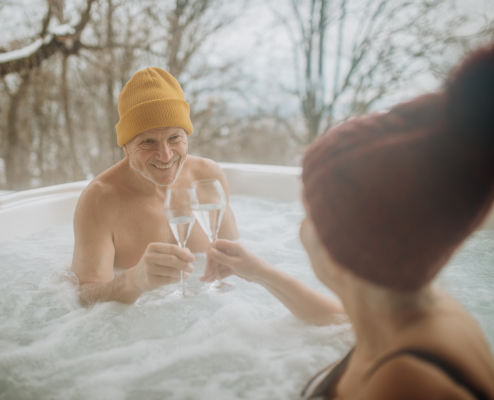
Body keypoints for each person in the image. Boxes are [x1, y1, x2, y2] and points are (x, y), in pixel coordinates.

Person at [205, 44, 494, 399]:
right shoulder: (409, 307)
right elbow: (341, 316)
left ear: (343, 247)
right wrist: (260, 272)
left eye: (310, 213)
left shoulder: (409, 382)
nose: (300, 228)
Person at [71, 67, 239, 305]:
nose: (165, 155)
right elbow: (83, 298)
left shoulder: (208, 178)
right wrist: (133, 281)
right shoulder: (100, 199)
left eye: (174, 138)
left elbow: (236, 258)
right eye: (148, 141)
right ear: (126, 148)